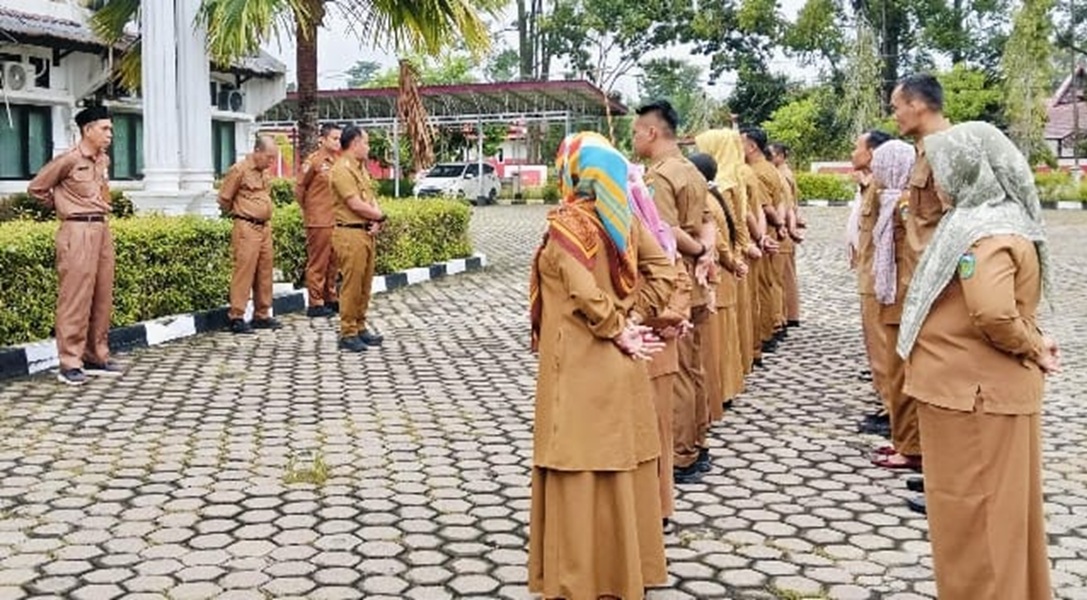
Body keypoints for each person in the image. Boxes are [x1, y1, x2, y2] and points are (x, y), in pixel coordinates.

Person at [894, 118, 1059, 600]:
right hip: (977, 393)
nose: (937, 183)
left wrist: (1032, 345)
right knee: (1000, 519)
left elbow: (991, 311)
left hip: (974, 399)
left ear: (971, 170)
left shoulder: (986, 231)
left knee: (978, 520)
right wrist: (1035, 340)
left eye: (945, 170)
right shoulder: (981, 222)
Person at [528, 132, 674, 600]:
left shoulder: (567, 225)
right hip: (622, 363)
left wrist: (615, 324)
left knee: (576, 466)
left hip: (578, 363)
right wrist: (632, 317)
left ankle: (578, 579)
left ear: (573, 173)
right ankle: (624, 572)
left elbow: (581, 290)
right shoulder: (624, 220)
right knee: (617, 466)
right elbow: (666, 272)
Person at [633, 100, 717, 483]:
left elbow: (664, 233)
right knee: (693, 367)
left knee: (679, 371)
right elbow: (707, 219)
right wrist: (708, 250)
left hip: (674, 284)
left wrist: (701, 250)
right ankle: (696, 442)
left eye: (636, 131)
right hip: (696, 283)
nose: (634, 138)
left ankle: (682, 453)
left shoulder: (659, 178)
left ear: (652, 132)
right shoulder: (690, 168)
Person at [27, 105, 122, 385]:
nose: (110, 134)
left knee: (102, 295)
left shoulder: (102, 160)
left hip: (101, 229)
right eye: (105, 129)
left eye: (111, 129)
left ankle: (96, 355)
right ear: (88, 129)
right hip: (76, 229)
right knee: (75, 298)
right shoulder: (68, 159)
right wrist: (64, 206)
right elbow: (37, 188)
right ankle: (69, 362)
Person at [628, 160, 688, 529]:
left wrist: (639, 319)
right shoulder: (623, 231)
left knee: (655, 436)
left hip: (651, 347)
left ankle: (658, 509)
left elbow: (676, 285)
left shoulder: (650, 231)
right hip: (639, 348)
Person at [863, 139, 921, 471]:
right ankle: (903, 440)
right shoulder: (890, 200)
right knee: (896, 373)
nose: (876, 170)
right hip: (891, 296)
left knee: (903, 374)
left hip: (902, 297)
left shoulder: (903, 203)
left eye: (880, 164)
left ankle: (911, 447)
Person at [688, 151, 748, 419]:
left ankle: (718, 396)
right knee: (722, 342)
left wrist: (732, 262)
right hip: (722, 276)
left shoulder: (706, 202)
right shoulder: (714, 196)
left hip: (715, 276)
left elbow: (719, 242)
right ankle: (724, 391)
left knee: (714, 346)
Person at [846, 130, 894, 437]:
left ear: (873, 152)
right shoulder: (870, 185)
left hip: (877, 278)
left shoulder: (881, 188)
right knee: (874, 345)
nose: (853, 152)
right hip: (867, 274)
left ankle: (892, 409)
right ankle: (886, 401)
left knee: (882, 346)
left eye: (857, 147)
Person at [329, 126, 386, 353]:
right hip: (349, 233)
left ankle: (360, 326)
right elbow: (354, 203)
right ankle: (347, 332)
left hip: (365, 232)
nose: (368, 147)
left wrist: (377, 219)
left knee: (364, 284)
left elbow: (370, 200)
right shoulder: (342, 169)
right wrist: (380, 217)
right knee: (352, 285)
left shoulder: (360, 169)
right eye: (366, 142)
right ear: (354, 143)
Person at [219, 136, 283, 334]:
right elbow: (224, 198)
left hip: (264, 227)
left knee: (265, 271)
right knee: (244, 271)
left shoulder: (264, 173)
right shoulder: (239, 170)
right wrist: (241, 213)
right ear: (257, 151)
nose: (271, 162)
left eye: (274, 158)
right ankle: (236, 316)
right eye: (269, 157)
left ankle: (262, 314)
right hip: (246, 226)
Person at [741, 127, 787, 355]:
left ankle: (765, 333)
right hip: (769, 231)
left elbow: (764, 207)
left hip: (762, 233)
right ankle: (771, 327)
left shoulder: (755, 172)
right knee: (769, 283)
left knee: (761, 285)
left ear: (751, 146)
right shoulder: (769, 168)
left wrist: (776, 226)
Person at [296, 123, 343, 318]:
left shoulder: (338, 161)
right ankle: (315, 302)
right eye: (334, 138)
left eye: (339, 138)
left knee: (333, 261)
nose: (338, 142)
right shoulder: (314, 161)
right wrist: (310, 210)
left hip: (335, 219)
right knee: (318, 262)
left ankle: (330, 297)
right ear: (322, 139)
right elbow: (299, 188)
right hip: (319, 219)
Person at [769, 142, 803, 327]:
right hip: (787, 229)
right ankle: (789, 314)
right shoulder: (782, 174)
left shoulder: (781, 176)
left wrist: (786, 226)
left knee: (782, 277)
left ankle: (788, 315)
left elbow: (787, 205)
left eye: (772, 154)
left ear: (781, 156)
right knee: (785, 275)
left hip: (782, 231)